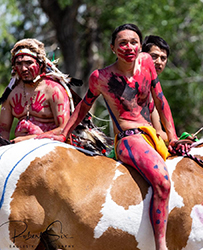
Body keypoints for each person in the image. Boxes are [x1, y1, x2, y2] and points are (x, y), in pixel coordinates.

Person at [37, 23, 189, 250]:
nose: (129, 47)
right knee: (163, 182)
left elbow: (160, 100)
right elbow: (83, 107)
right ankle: (161, 246)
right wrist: (64, 133)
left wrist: (174, 137)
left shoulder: (147, 63)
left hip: (151, 136)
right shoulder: (101, 77)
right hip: (129, 139)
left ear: (140, 45)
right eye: (122, 43)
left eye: (133, 42)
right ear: (112, 48)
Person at [0, 38, 73, 143]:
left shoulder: (54, 90)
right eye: (19, 63)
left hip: (51, 147)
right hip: (17, 148)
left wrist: (27, 139)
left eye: (28, 63)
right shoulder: (11, 92)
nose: (24, 68)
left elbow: (64, 129)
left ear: (41, 64)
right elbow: (3, 131)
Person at [142, 35, 170, 142]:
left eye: (163, 58)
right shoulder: (134, 84)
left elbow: (158, 131)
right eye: (154, 56)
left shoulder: (152, 89)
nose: (159, 62)